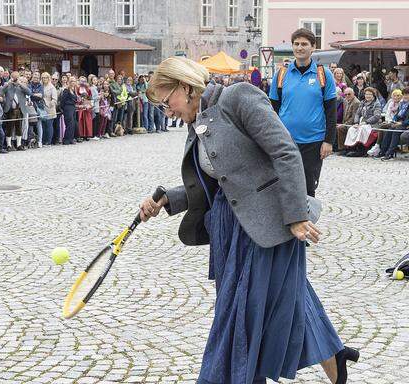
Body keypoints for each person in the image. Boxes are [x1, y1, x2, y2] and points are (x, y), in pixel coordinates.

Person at [141, 56, 357, 384]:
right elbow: (218, 182)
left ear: (185, 87)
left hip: (270, 224)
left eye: (165, 100)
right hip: (231, 228)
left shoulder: (238, 97)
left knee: (241, 317)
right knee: (286, 301)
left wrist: (296, 215)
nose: (166, 110)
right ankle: (334, 358)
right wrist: (168, 199)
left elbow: (285, 151)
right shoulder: (196, 120)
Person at [269, 28, 337, 197]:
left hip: (313, 141)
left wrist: (328, 141)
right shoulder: (281, 74)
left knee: (307, 188)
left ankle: (307, 222)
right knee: (283, 185)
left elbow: (331, 111)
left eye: (304, 44)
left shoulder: (324, 74)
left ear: (313, 47)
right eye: (296, 44)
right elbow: (272, 111)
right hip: (285, 140)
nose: (300, 47)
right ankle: (285, 223)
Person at [341, 87, 382, 157]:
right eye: (366, 94)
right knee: (352, 129)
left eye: (370, 94)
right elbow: (357, 114)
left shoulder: (376, 104)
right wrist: (356, 122)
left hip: (373, 124)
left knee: (362, 129)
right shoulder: (363, 102)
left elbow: (377, 116)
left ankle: (362, 149)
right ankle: (351, 148)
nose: (368, 96)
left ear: (373, 95)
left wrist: (366, 122)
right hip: (362, 123)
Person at [0, 71, 31, 151]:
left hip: (20, 109)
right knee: (9, 127)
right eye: (14, 77)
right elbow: (1, 92)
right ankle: (9, 145)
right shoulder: (8, 85)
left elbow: (29, 92)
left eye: (16, 78)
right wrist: (8, 84)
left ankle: (19, 144)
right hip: (10, 109)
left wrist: (20, 84)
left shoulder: (21, 86)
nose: (15, 79)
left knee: (19, 127)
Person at [378, 87, 409, 160]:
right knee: (390, 128)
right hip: (399, 122)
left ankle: (390, 154)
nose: (405, 96)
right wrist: (394, 120)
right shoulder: (403, 104)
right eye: (404, 94)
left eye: (407, 94)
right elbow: (397, 115)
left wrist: (401, 123)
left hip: (405, 124)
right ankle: (383, 151)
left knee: (395, 130)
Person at [335, 88, 361, 153]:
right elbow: (344, 114)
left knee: (340, 128)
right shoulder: (346, 101)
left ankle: (343, 148)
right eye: (345, 94)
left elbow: (354, 117)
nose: (347, 96)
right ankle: (337, 147)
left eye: (349, 94)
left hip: (353, 123)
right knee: (335, 127)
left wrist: (344, 124)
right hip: (345, 122)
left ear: (353, 94)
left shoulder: (356, 102)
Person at [41, 72, 57, 146]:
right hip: (42, 108)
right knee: (43, 125)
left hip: (50, 108)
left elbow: (54, 99)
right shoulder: (41, 86)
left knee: (49, 125)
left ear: (48, 78)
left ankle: (49, 141)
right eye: (43, 77)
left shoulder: (52, 87)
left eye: (46, 77)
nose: (44, 79)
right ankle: (43, 140)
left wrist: (49, 104)